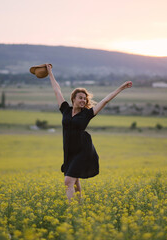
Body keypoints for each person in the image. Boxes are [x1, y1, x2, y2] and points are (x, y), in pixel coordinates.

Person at [46, 63, 132, 202]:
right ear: (73, 98)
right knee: (75, 181)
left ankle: (70, 210)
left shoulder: (87, 114)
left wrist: (121, 88)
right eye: (80, 97)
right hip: (69, 151)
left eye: (85, 98)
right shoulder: (65, 110)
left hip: (82, 150)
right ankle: (80, 205)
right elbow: (57, 90)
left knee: (68, 181)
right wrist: (50, 72)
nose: (83, 100)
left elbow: (105, 100)